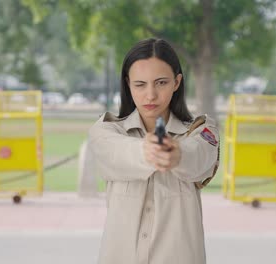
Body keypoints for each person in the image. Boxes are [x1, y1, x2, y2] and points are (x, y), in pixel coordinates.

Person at [88, 38, 220, 264]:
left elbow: (199, 158)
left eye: (161, 83)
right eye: (140, 84)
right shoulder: (106, 131)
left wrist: (176, 155)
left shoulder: (202, 132)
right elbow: (114, 154)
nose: (150, 95)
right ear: (128, 84)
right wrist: (146, 151)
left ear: (177, 82)